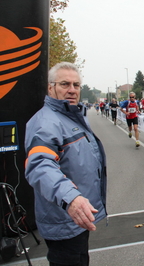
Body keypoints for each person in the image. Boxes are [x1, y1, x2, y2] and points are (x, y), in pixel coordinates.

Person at [24, 62, 107, 266]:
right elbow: (40, 165)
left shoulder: (70, 115)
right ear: (50, 88)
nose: (72, 90)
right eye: (64, 84)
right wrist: (71, 198)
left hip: (78, 218)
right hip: (64, 217)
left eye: (76, 85)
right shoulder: (46, 122)